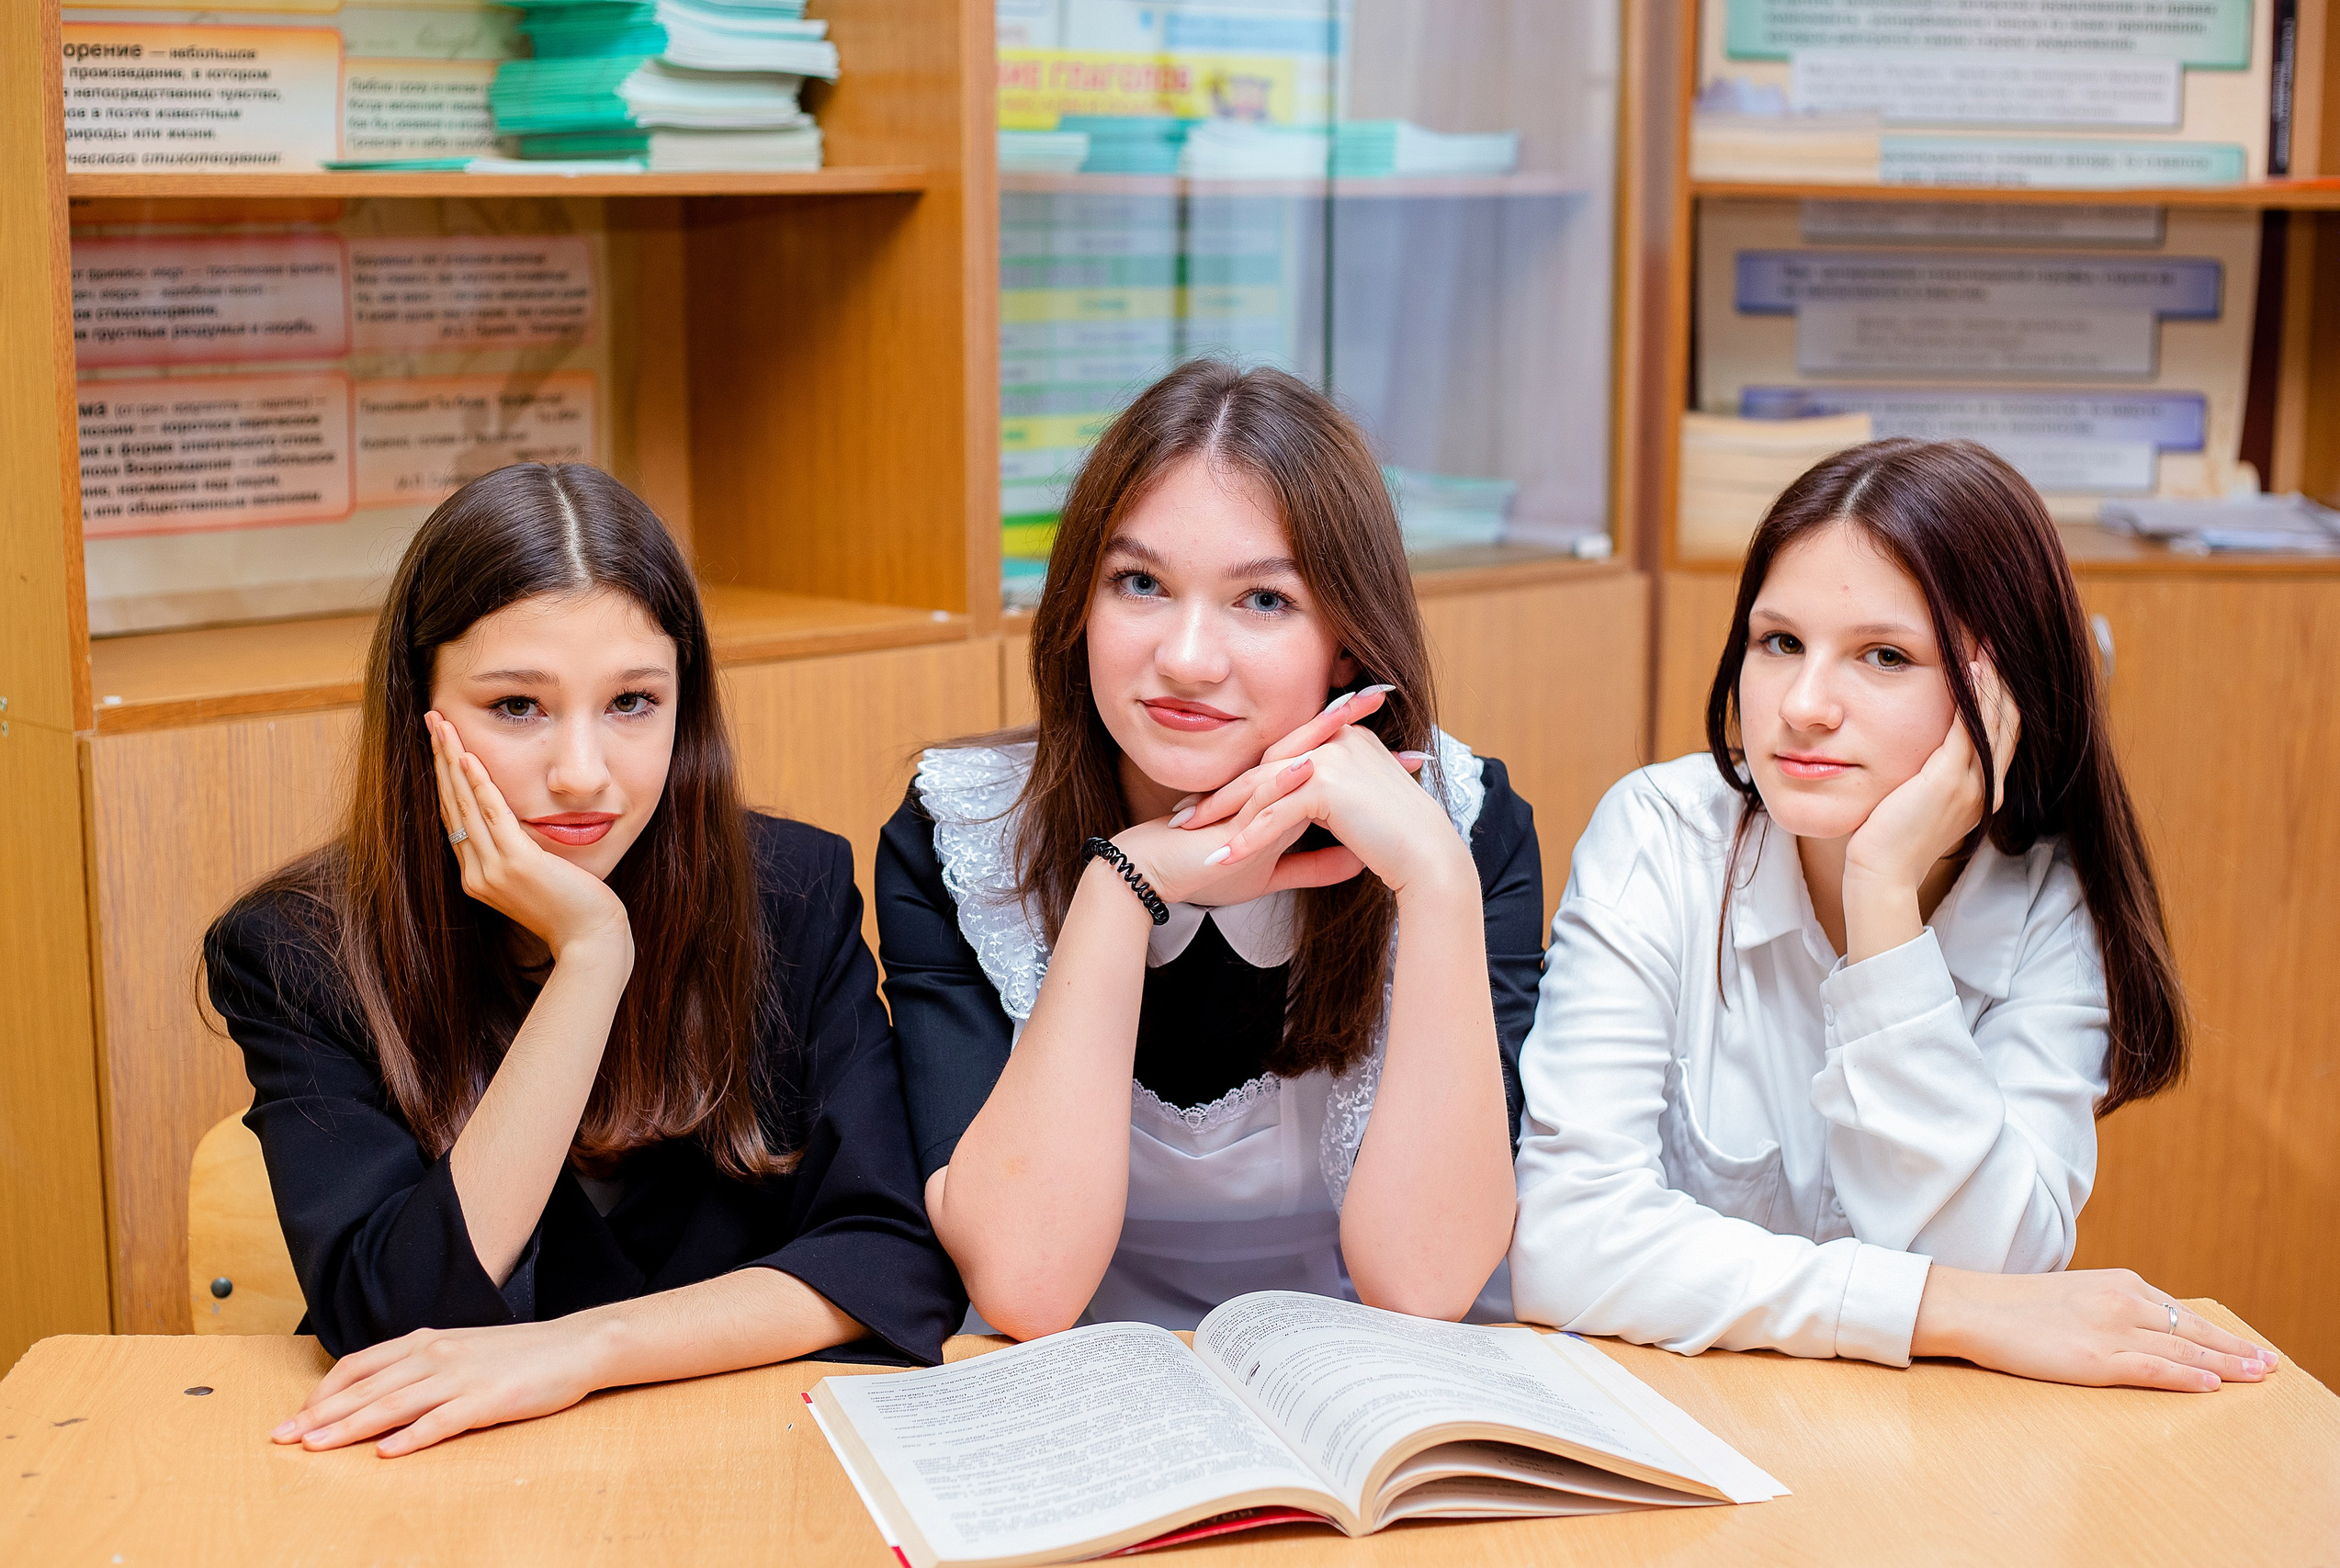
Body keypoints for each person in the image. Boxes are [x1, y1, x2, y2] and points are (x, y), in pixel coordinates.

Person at [204, 463, 964, 1457]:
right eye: (517, 706)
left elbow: (891, 1254)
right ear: (416, 711)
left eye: (633, 702)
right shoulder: (299, 950)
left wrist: (586, 1349)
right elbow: (399, 1318)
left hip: (744, 1447)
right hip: (456, 1480)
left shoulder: (790, 892)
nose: (581, 773)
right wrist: (591, 955)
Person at [1509, 439, 2278, 1392]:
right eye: (1778, 642)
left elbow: (1995, 1265)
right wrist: (1935, 1308)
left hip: (1923, 1456)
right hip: (1682, 1422)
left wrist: (1883, 904)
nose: (1801, 705)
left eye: (1884, 656)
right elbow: (1565, 1243)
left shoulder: (2047, 900)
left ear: (2001, 699)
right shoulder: (1659, 834)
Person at [877, 360, 1543, 1338]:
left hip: (1363, 1390)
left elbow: (1425, 1287)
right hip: (1088, 1398)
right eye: (1139, 583)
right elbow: (1025, 1287)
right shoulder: (966, 829)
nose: (1187, 658)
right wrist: (1121, 889)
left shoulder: (1462, 823)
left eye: (1262, 601)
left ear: (1349, 646)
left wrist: (1437, 882)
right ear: (1078, 606)